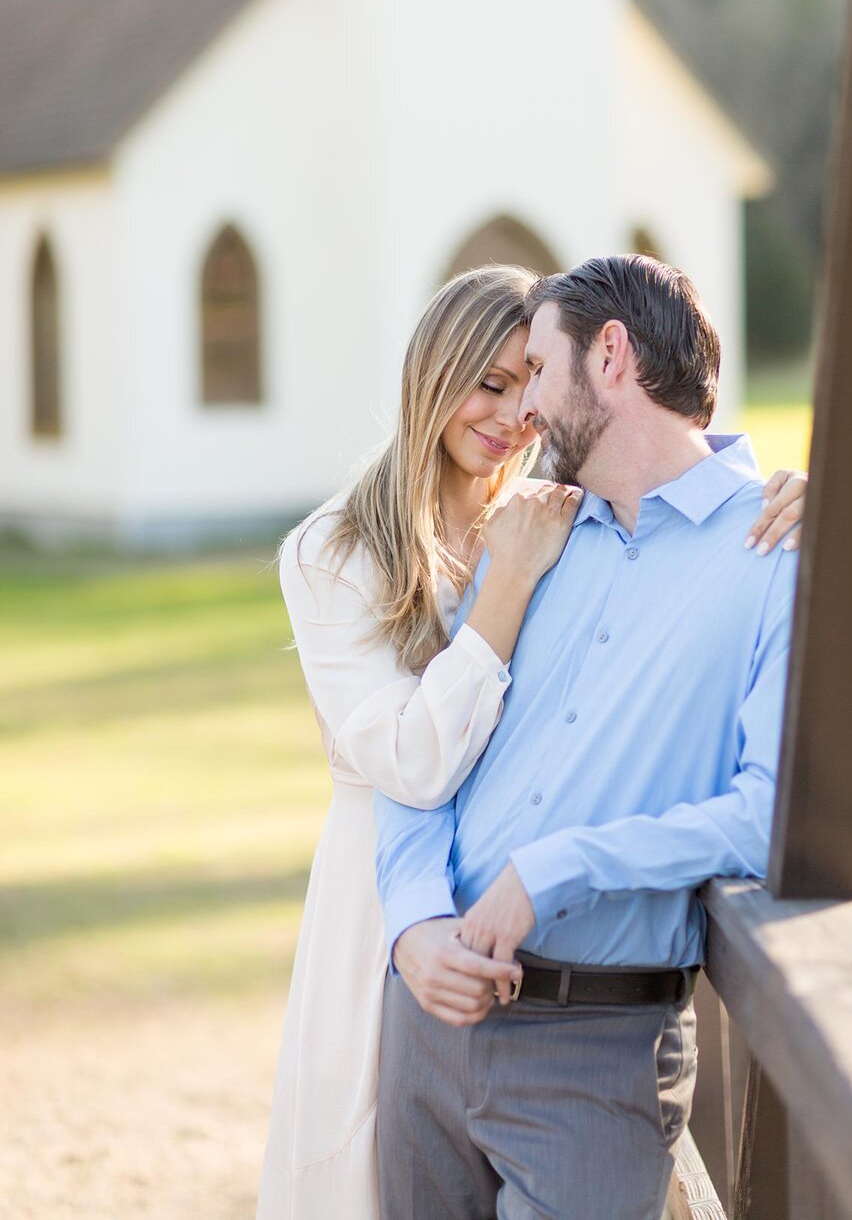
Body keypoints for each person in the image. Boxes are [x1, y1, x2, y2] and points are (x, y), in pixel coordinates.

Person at [256, 263, 806, 1220]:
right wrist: (418, 918)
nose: (528, 415)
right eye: (499, 382)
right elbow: (420, 777)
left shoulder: (766, 551)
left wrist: (556, 867)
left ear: (611, 355)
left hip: (593, 1033)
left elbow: (769, 812)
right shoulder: (526, 540)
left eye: (536, 373)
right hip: (416, 988)